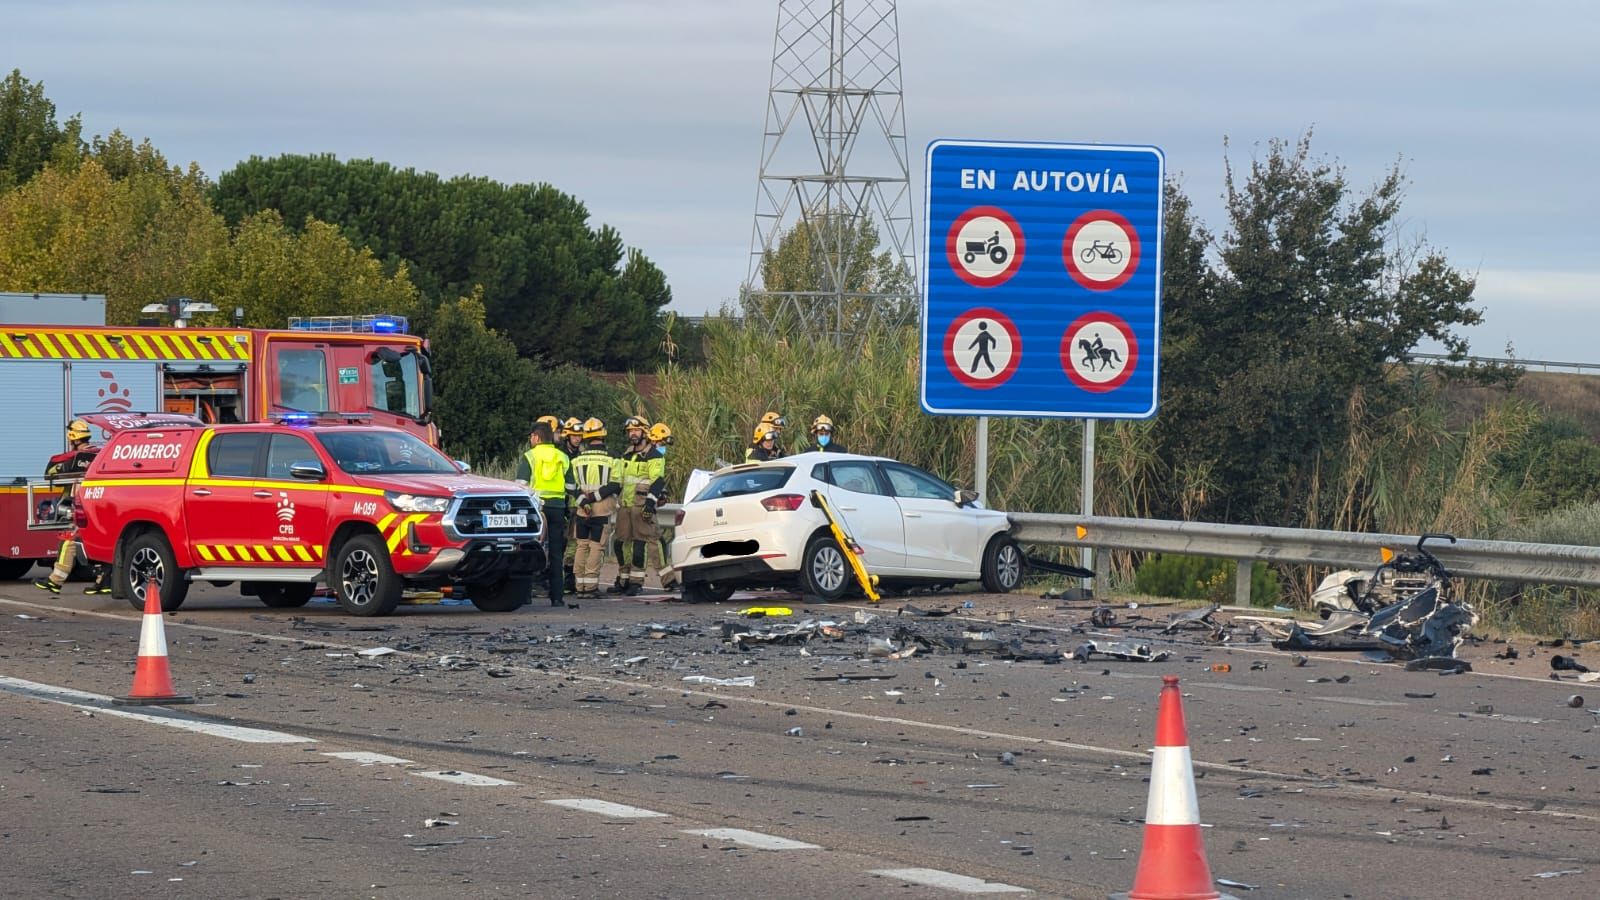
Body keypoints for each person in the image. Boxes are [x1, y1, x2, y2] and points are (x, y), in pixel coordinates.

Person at [35, 419, 109, 595]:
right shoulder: (101, 453)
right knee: (97, 541)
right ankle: (104, 581)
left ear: (73, 438)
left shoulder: (72, 458)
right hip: (100, 503)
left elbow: (51, 474)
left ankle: (55, 581)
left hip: (79, 505)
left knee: (68, 540)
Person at [515, 420, 575, 607]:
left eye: (531, 436)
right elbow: (571, 486)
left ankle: (525, 596)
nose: (530, 439)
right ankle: (557, 597)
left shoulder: (530, 456)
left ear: (537, 437)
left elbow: (521, 485)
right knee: (556, 553)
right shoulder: (563, 457)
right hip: (557, 509)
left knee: (529, 550)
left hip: (535, 509)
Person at [571, 418, 622, 599]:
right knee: (596, 547)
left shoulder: (577, 459)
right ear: (603, 434)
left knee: (581, 546)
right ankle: (591, 587)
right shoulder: (612, 458)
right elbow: (616, 485)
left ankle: (580, 586)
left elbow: (571, 485)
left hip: (581, 509)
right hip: (602, 508)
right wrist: (594, 497)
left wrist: (584, 501)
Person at [610, 415, 653, 594]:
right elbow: (616, 480)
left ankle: (636, 582)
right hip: (625, 505)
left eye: (636, 430)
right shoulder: (626, 454)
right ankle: (623, 579)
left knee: (639, 545)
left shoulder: (653, 455)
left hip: (641, 506)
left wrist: (650, 504)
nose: (633, 434)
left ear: (645, 432)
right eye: (630, 431)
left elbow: (657, 480)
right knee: (620, 543)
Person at [642, 422, 679, 593]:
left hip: (633, 504)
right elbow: (654, 481)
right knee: (656, 540)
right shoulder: (655, 456)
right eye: (663, 443)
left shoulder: (641, 454)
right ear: (656, 441)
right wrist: (650, 503)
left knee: (631, 542)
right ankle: (668, 579)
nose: (664, 448)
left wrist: (660, 495)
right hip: (644, 505)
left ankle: (627, 580)